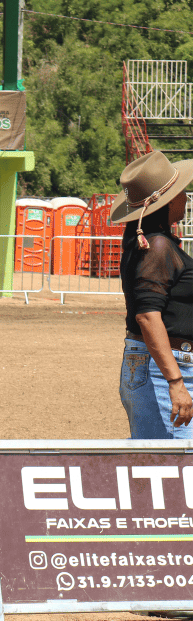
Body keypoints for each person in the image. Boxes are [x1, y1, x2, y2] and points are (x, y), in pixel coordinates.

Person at [113, 150, 193, 440]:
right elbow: (147, 316)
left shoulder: (152, 243)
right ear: (168, 200)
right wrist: (175, 381)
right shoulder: (157, 247)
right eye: (181, 191)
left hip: (161, 364)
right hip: (164, 367)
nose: (186, 197)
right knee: (172, 461)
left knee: (163, 459)